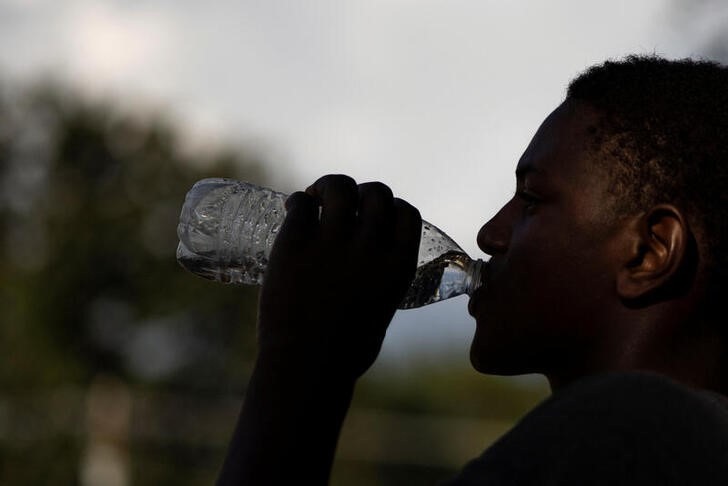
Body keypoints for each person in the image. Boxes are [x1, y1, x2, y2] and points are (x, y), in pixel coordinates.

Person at [216, 55, 728, 485]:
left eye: (530, 200)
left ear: (649, 252)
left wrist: (300, 360)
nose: (489, 235)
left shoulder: (622, 435)